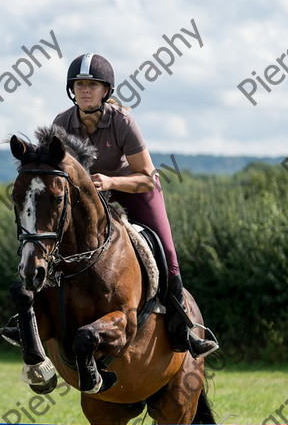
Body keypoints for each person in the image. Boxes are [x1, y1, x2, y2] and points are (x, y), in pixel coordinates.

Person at [51, 52, 218, 358]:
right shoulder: (62, 123)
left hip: (135, 190)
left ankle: (183, 327)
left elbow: (147, 176)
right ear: (71, 90)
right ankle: (34, 315)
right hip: (92, 198)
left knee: (165, 250)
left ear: (106, 91)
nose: (85, 90)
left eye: (92, 85)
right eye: (79, 85)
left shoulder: (123, 120)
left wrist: (112, 182)